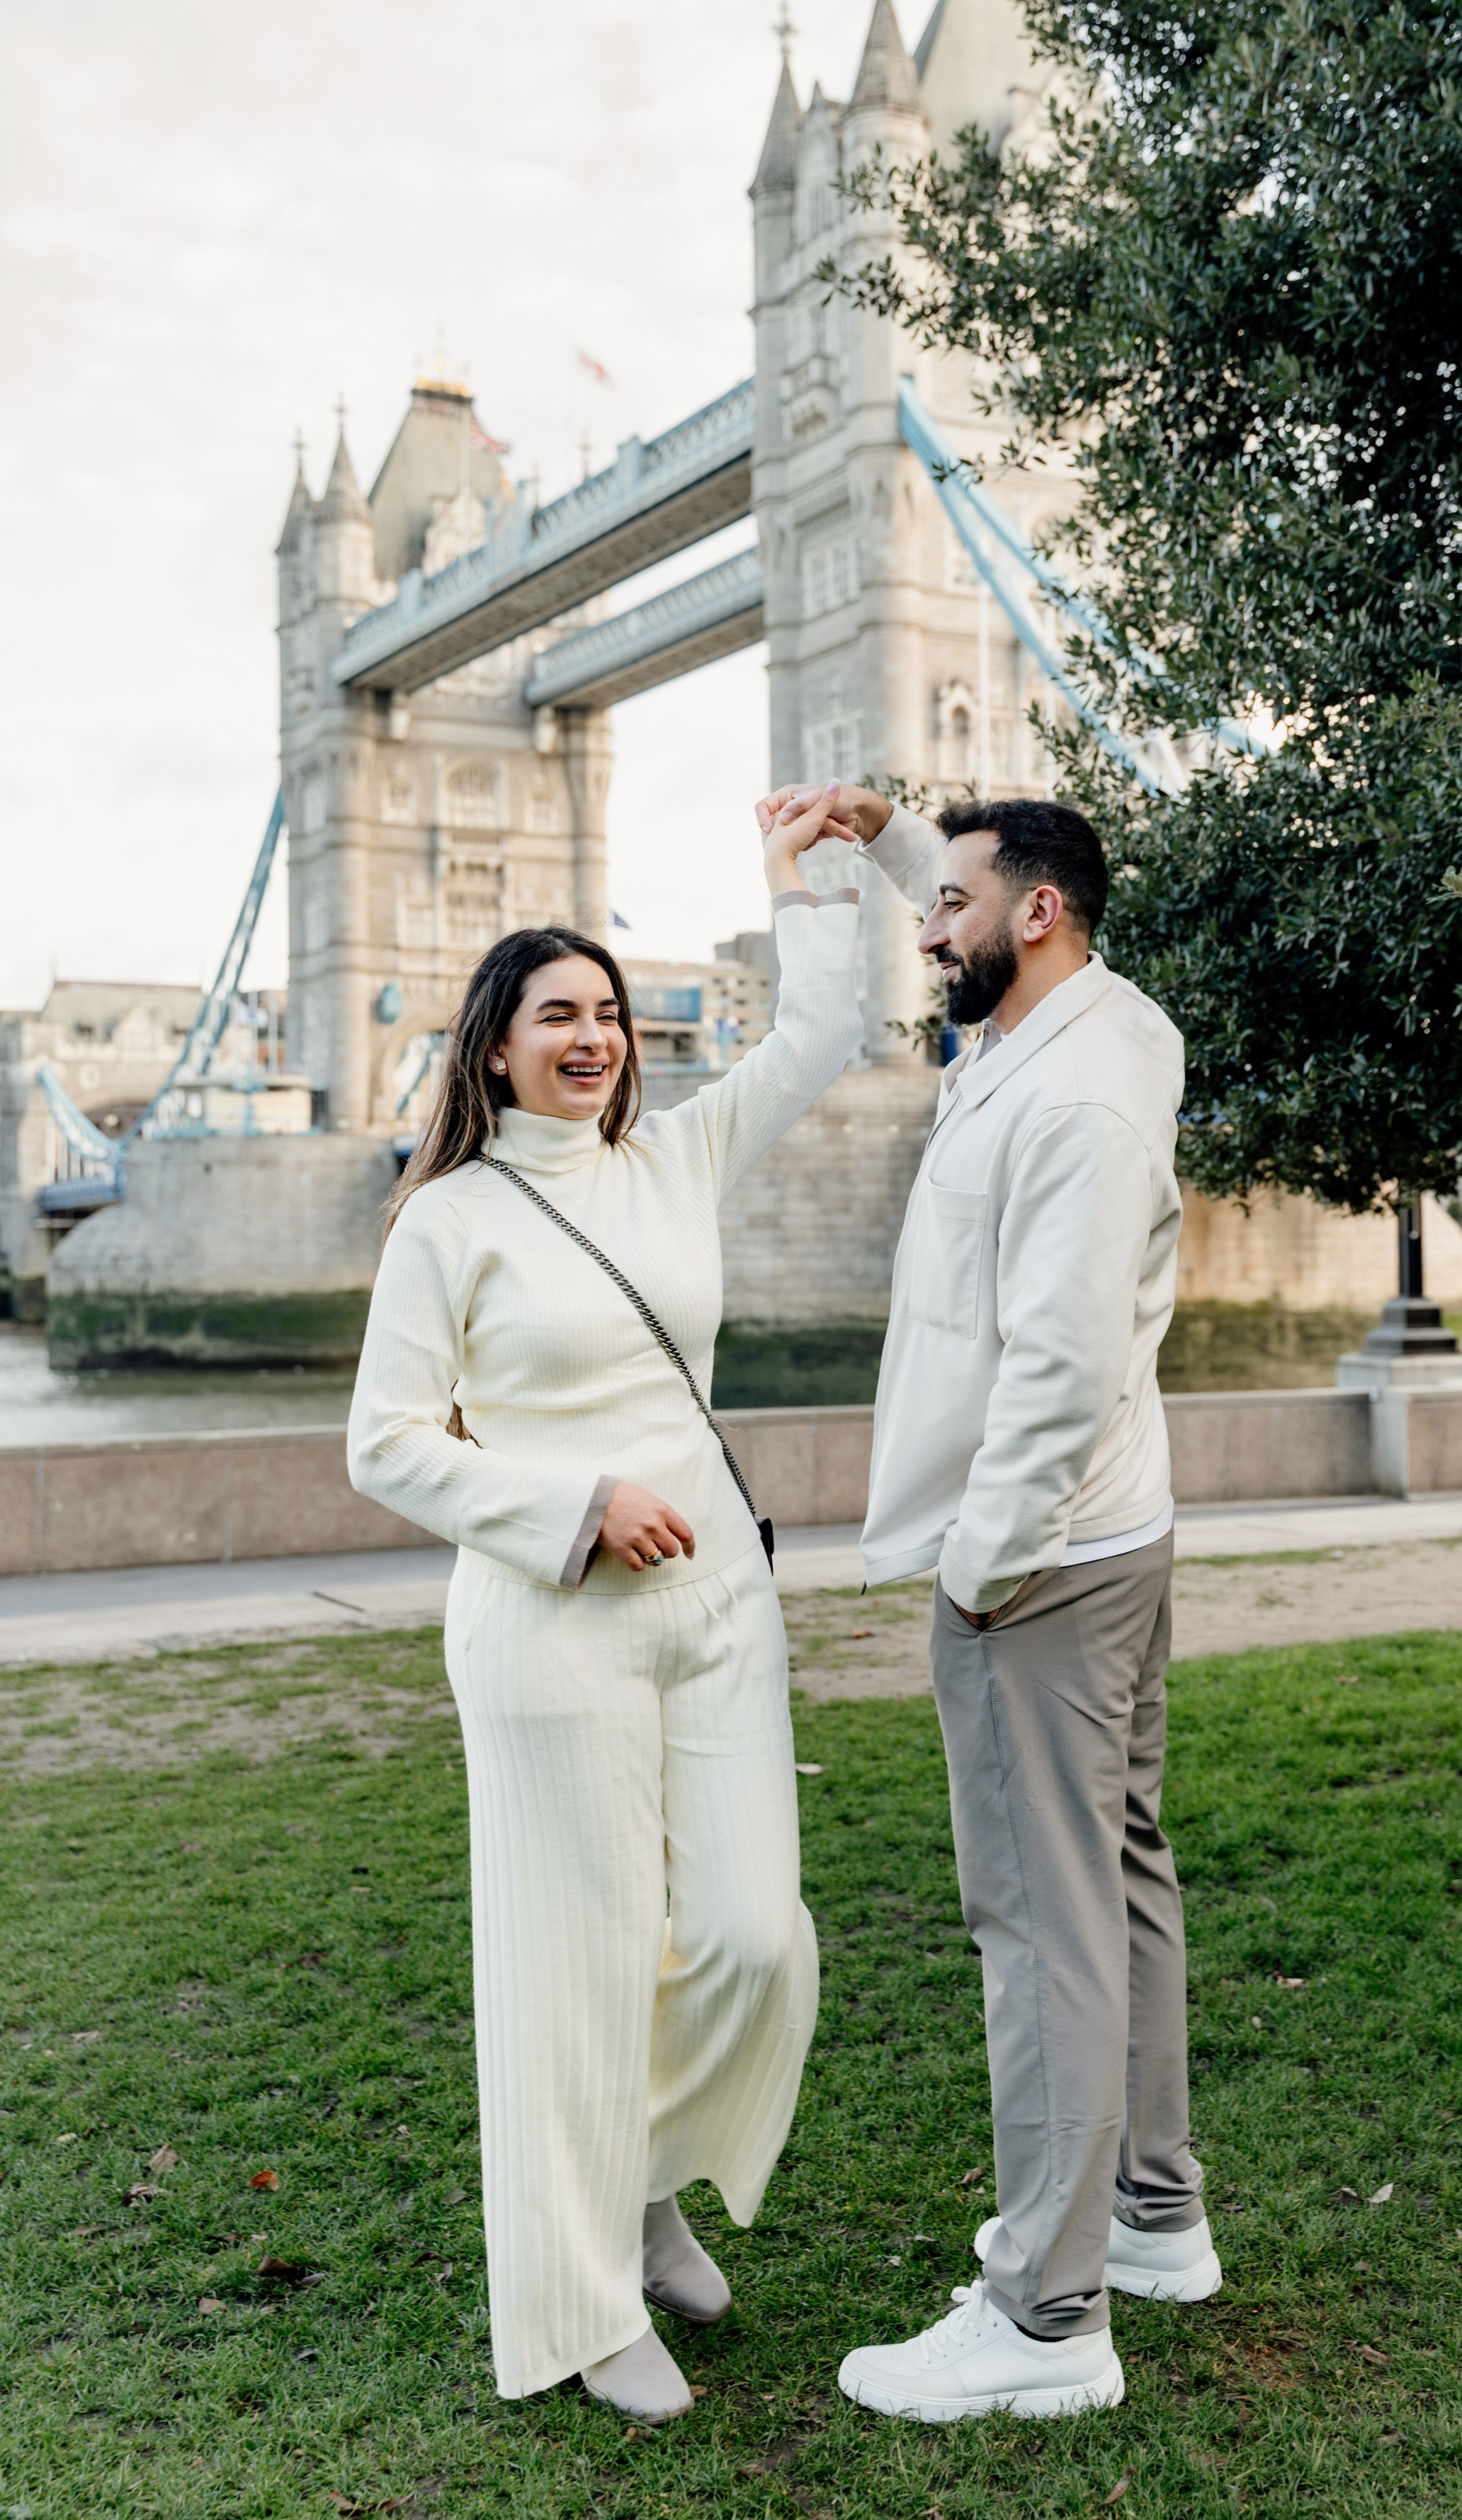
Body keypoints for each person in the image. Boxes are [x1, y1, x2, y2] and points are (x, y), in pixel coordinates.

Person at [347, 785, 861, 2425]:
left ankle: (644, 2181)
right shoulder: (450, 1218)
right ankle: (580, 2304)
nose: (593, 1037)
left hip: (718, 1607)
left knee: (747, 1934)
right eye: (558, 1014)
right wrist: (569, 1505)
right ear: (494, 1046)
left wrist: (808, 881)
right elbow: (385, 1445)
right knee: (569, 1968)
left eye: (611, 1014)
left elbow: (828, 1026)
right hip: (545, 1619)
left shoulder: (679, 1158)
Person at [757, 783, 1217, 2422]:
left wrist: (979, 1563)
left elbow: (1065, 1355)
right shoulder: (1099, 1021)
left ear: (1034, 914)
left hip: (1041, 1557)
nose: (924, 924)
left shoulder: (1074, 1094)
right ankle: (1153, 2216)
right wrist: (892, 836)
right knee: (1123, 1878)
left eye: (947, 900)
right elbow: (974, 929)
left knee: (1039, 1924)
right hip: (1112, 1530)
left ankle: (1041, 2311)